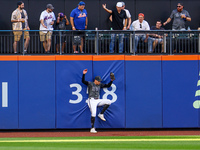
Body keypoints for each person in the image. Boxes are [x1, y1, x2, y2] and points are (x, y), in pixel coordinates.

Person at [82, 69, 114, 133]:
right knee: (93, 114)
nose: (99, 82)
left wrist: (111, 81)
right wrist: (84, 74)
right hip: (91, 100)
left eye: (100, 81)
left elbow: (108, 85)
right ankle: (92, 128)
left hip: (97, 99)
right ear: (95, 80)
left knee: (109, 102)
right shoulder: (90, 83)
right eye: (98, 81)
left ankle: (101, 114)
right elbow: (83, 81)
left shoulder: (100, 85)